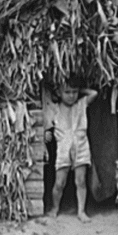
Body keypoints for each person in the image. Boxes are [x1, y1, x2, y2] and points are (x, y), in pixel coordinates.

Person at [44, 78, 98, 223]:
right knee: (59, 182)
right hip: (63, 147)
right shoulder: (55, 108)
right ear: (59, 93)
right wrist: (45, 134)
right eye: (67, 92)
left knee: (80, 181)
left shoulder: (81, 104)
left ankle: (81, 211)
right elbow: (46, 124)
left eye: (74, 92)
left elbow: (94, 93)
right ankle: (55, 208)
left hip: (81, 145)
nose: (71, 95)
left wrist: (80, 90)